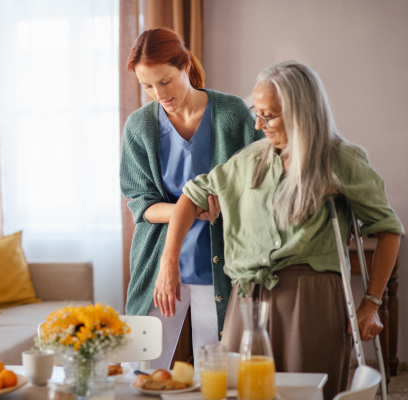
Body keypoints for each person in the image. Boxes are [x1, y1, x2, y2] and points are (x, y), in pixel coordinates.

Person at [160, 60, 404, 400]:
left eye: (268, 115)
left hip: (312, 298)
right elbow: (192, 194)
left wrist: (372, 302)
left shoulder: (341, 159)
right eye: (256, 112)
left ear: (301, 112)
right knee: (237, 393)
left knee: (303, 394)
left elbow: (389, 229)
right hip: (246, 298)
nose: (258, 125)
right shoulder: (250, 160)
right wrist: (168, 261)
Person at [119, 27, 264, 369]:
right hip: (160, 263)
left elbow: (256, 184)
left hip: (222, 266)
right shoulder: (139, 126)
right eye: (148, 86)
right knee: (141, 371)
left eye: (165, 81)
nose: (158, 93)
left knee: (217, 374)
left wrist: (223, 204)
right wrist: (192, 209)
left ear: (185, 66)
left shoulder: (231, 114)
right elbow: (141, 205)